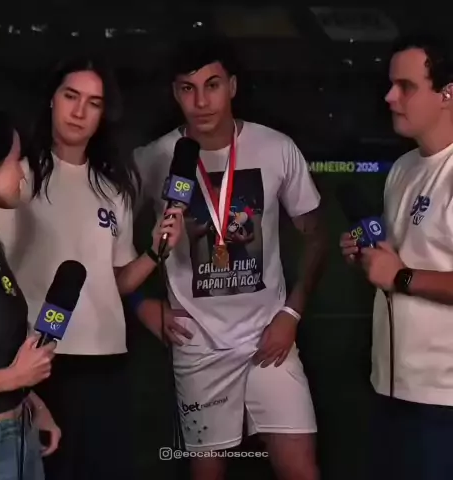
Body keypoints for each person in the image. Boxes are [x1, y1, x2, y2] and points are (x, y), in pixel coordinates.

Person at [132, 36, 328, 480]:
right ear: (175, 92)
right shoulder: (153, 159)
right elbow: (104, 242)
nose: (201, 102)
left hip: (269, 339)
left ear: (233, 86)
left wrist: (291, 314)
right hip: (197, 345)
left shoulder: (276, 148)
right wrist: (140, 305)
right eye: (188, 88)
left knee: (300, 469)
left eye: (213, 85)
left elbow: (316, 236)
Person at [0, 57, 184, 480]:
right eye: (71, 96)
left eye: (93, 103)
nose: (79, 112)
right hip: (41, 362)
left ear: (103, 114)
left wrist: (154, 254)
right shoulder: (15, 180)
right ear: (52, 99)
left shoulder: (114, 189)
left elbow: (114, 281)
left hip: (107, 362)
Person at [340, 33, 453, 480]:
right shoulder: (403, 169)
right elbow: (400, 259)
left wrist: (402, 276)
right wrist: (369, 256)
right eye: (391, 84)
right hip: (390, 388)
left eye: (405, 86)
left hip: (444, 399)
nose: (390, 97)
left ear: (447, 93)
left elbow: (403, 274)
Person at [0, 107, 61, 480]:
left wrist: (30, 400)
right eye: (15, 160)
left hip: (17, 434)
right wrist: (14, 378)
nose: (23, 173)